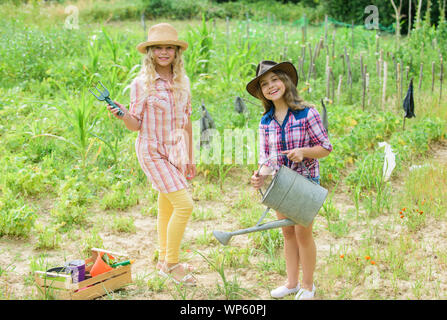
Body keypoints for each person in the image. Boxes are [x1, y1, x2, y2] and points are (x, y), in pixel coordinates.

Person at [107, 23, 196, 286]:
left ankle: (163, 260)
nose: (164, 52)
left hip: (175, 150)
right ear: (150, 52)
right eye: (158, 47)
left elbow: (187, 121)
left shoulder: (184, 82)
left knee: (167, 205)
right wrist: (124, 115)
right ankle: (172, 264)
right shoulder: (141, 84)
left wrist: (189, 156)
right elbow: (136, 124)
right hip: (151, 151)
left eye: (169, 47)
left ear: (176, 52)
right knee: (184, 204)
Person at [247, 60, 332, 299]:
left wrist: (304, 151)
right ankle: (292, 282)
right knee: (287, 233)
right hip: (281, 185)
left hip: (305, 183)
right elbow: (267, 158)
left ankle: (308, 285)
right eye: (264, 84)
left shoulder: (307, 113)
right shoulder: (266, 121)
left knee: (302, 232)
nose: (271, 86)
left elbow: (325, 148)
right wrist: (259, 177)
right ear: (262, 92)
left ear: (286, 81)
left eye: (275, 79)